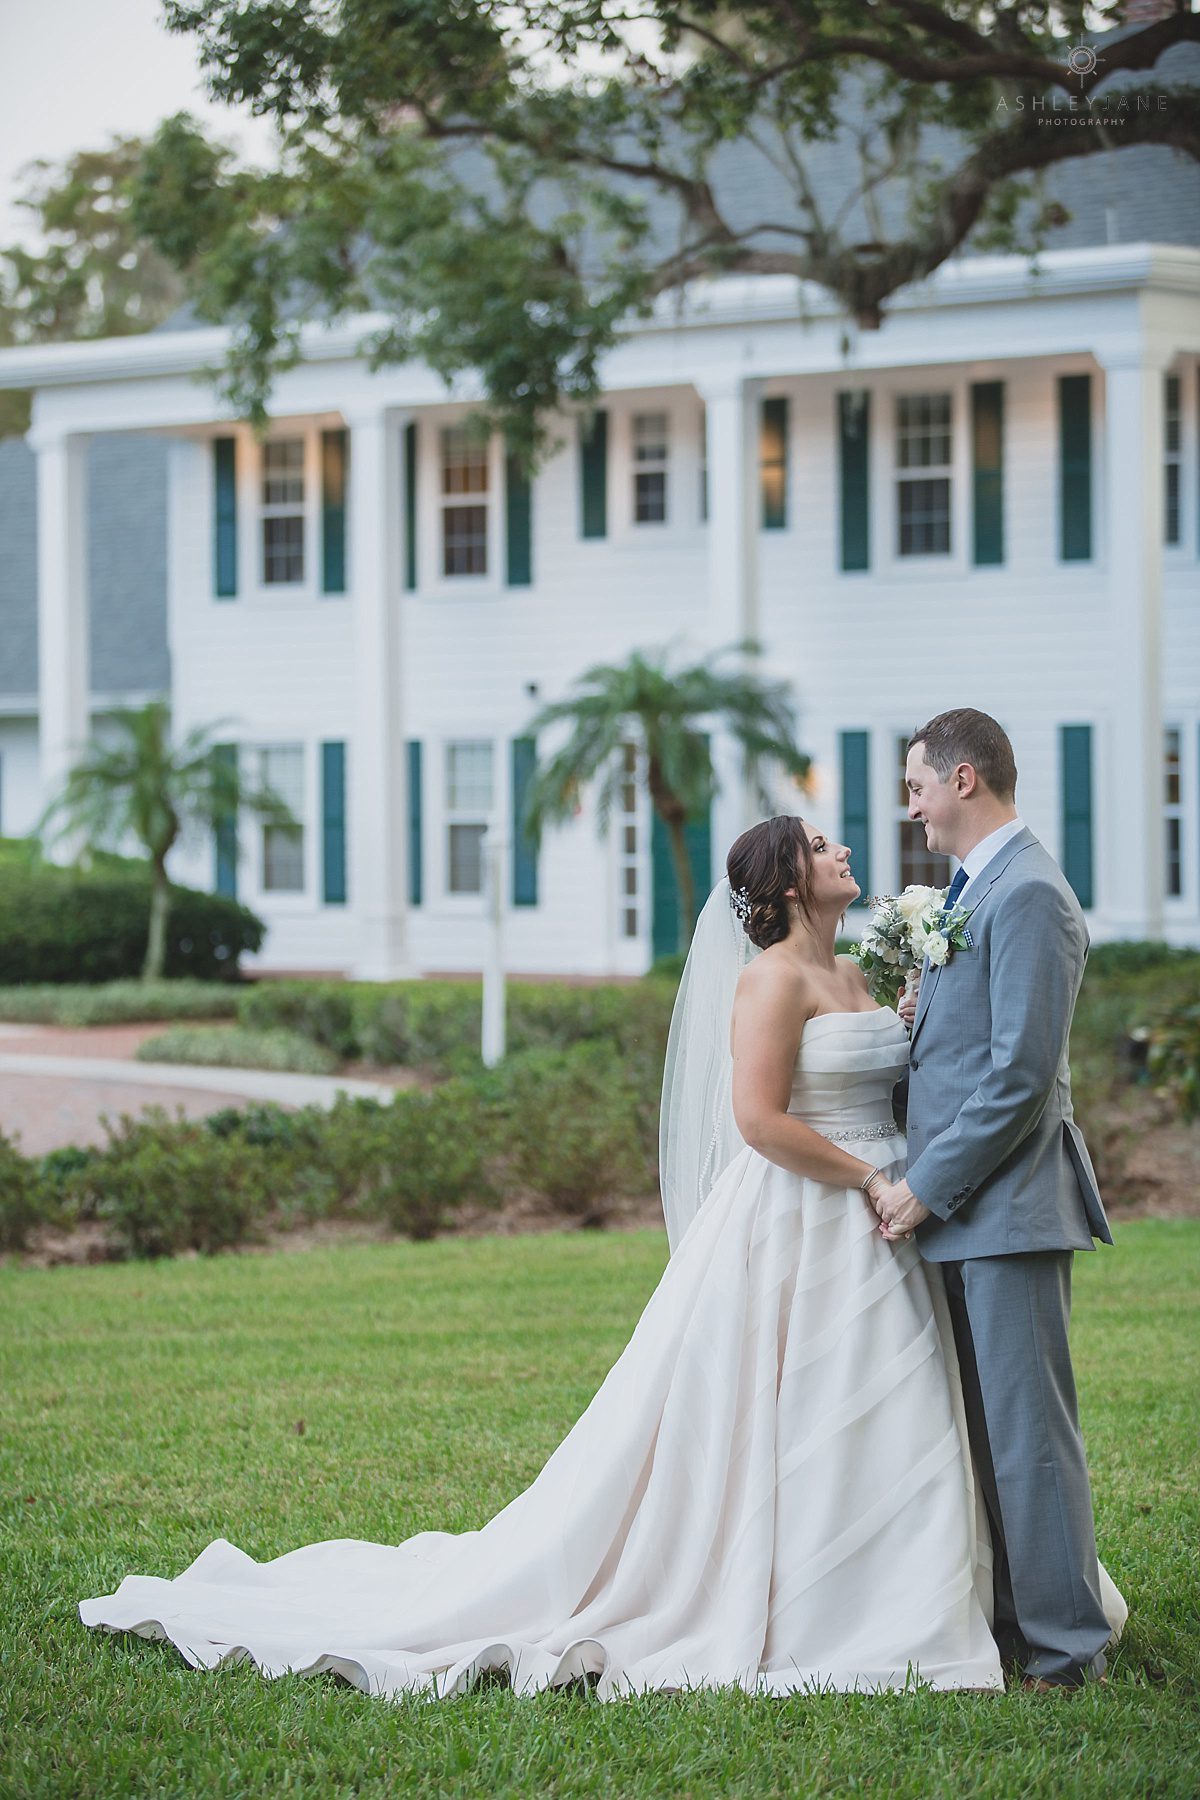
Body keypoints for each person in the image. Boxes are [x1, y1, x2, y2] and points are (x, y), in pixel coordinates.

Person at [79, 815, 1120, 1700]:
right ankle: (826, 1603)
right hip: (813, 1213)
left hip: (895, 1215)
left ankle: (929, 1587)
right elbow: (756, 1119)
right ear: (788, 882)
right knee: (800, 1408)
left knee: (905, 1407)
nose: (845, 846)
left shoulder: (856, 969)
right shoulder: (767, 983)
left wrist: (906, 1091)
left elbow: (909, 1073)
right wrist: (865, 1180)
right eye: (818, 844)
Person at [868, 708, 1123, 1690]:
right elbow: (976, 1044)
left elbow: (1020, 1075)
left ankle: (1068, 1652)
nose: (911, 805)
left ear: (964, 778)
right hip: (974, 1211)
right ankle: (1019, 1628)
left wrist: (923, 1189)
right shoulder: (975, 890)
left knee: (1030, 1442)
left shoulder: (1029, 896)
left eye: (917, 784)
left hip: (1007, 1208)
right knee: (990, 1438)